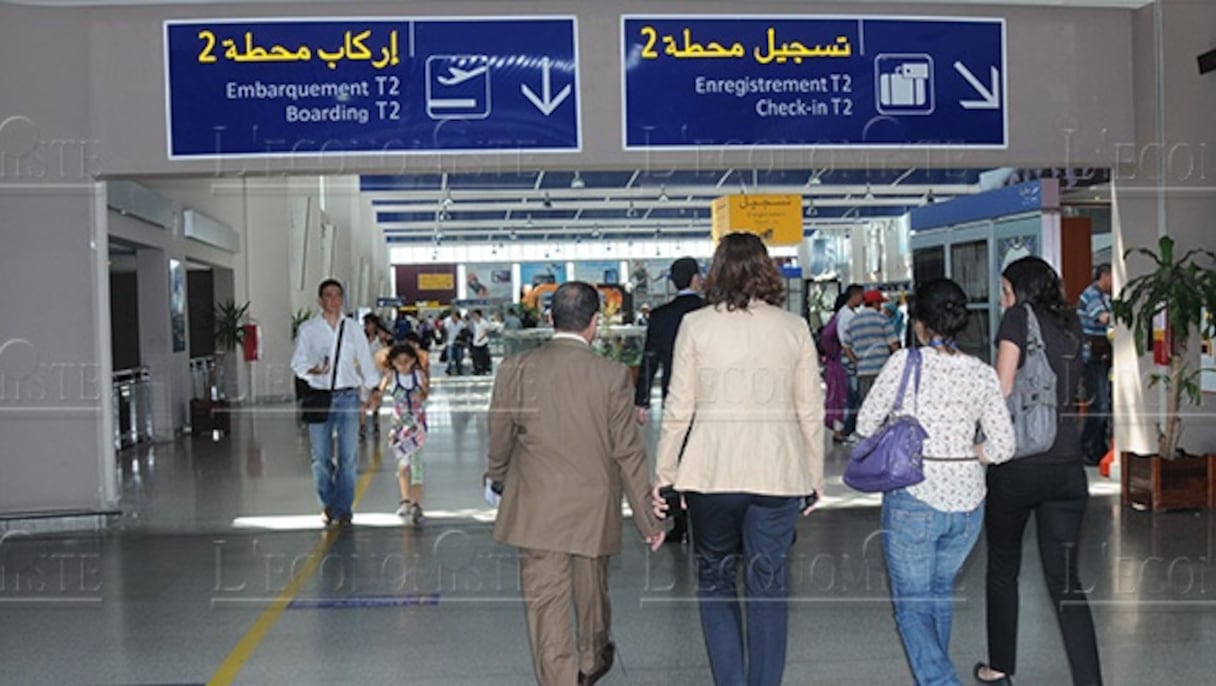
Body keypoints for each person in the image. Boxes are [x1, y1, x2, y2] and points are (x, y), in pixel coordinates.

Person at [651, 233, 824, 686]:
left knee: (715, 584)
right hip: (778, 476)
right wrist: (813, 475)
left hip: (712, 476)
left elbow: (678, 406)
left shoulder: (698, 325)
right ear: (766, 271)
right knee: (769, 591)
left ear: (717, 272)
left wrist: (666, 476)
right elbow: (809, 409)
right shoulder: (793, 328)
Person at [486, 281, 665, 686]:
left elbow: (499, 433)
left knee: (546, 608)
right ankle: (590, 660)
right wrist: (648, 520)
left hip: (537, 509)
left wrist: (497, 476)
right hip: (592, 510)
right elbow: (627, 452)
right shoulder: (612, 376)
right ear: (595, 323)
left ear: (549, 319)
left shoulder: (515, 369)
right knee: (592, 597)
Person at [857, 278, 1016, 686]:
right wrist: (969, 453)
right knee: (938, 592)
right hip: (968, 505)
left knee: (912, 607)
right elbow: (1003, 445)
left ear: (920, 323)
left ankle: (942, 681)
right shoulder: (981, 373)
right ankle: (937, 676)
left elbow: (864, 423)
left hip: (915, 497)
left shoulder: (904, 364)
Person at [974, 257, 1103, 686]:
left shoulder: (1016, 319)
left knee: (1003, 569)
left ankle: (999, 668)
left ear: (1020, 291)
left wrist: (981, 445)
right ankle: (1090, 680)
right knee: (1066, 583)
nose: (1003, 298)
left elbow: (1002, 388)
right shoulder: (1070, 324)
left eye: (1006, 289)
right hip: (1068, 470)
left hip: (1019, 466)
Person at [290, 279, 381, 527]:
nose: (333, 300)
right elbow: (297, 363)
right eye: (328, 296)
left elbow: (365, 362)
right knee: (320, 457)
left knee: (348, 458)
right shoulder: (309, 329)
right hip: (320, 397)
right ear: (320, 300)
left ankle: (344, 509)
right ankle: (327, 504)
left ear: (342, 299)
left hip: (348, 397)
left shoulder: (353, 329)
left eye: (338, 295)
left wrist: (373, 392)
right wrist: (313, 371)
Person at [633, 256, 706, 544]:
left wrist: (641, 400)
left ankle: (680, 524)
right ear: (696, 279)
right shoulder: (709, 312)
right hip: (710, 399)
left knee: (676, 459)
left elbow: (649, 359)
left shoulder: (661, 316)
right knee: (708, 458)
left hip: (675, 398)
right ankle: (708, 520)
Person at [381, 342, 429, 525]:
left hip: (416, 428)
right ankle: (405, 500)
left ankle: (416, 503)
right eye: (398, 361)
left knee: (417, 467)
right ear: (392, 362)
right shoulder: (391, 376)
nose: (403, 365)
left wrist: (422, 396)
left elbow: (425, 394)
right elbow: (379, 389)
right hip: (400, 428)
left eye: (406, 361)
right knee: (402, 466)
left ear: (413, 361)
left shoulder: (419, 376)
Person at [1077, 264, 1113, 464]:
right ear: (1105, 275)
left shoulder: (1106, 297)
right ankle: (1087, 448)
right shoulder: (1091, 295)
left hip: (1103, 357)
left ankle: (1099, 449)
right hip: (1091, 358)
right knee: (1099, 405)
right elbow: (1104, 317)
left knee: (1104, 404)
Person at [844, 290, 901, 404]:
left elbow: (846, 347)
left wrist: (856, 362)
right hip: (882, 370)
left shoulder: (853, 322)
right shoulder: (882, 319)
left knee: (867, 406)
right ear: (874, 303)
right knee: (884, 405)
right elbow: (893, 344)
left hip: (863, 372)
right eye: (879, 303)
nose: (880, 306)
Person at [818, 292, 851, 443]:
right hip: (838, 365)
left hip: (833, 364)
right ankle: (839, 431)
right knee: (840, 398)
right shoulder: (843, 318)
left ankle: (839, 430)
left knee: (836, 398)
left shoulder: (835, 319)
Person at [835, 284, 866, 439]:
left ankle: (848, 429)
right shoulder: (847, 316)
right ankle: (848, 431)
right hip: (850, 362)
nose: (862, 298)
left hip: (850, 361)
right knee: (853, 397)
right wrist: (855, 361)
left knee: (853, 397)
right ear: (854, 295)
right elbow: (845, 343)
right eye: (861, 295)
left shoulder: (847, 313)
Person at [469, 308, 492, 375]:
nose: (474, 316)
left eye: (475, 315)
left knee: (483, 357)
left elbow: (487, 330)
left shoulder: (483, 322)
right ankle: (477, 369)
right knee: (475, 357)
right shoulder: (474, 322)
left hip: (483, 342)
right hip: (475, 342)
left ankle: (484, 369)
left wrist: (481, 337)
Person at [443, 310, 465, 376]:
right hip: (450, 342)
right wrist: (446, 341)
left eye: (454, 316)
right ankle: (448, 370)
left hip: (458, 343)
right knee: (450, 357)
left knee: (459, 357)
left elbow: (464, 332)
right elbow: (446, 331)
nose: (452, 317)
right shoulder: (448, 322)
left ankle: (459, 370)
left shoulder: (461, 324)